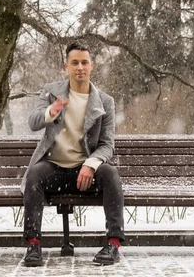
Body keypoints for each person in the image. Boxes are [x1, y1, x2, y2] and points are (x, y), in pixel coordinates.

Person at [21, 41, 125, 267]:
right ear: (66, 66)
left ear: (91, 66)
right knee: (34, 175)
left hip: (84, 172)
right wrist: (51, 111)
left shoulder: (105, 102)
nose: (80, 67)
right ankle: (33, 244)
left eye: (84, 62)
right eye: (75, 62)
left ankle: (113, 244)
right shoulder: (52, 93)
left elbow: (107, 144)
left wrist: (91, 163)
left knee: (111, 175)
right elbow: (33, 122)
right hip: (54, 168)